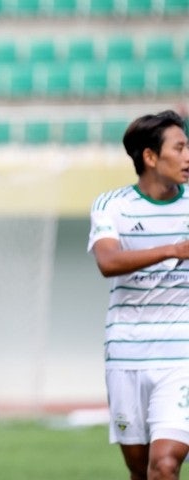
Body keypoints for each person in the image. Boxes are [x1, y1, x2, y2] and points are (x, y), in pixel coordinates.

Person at [88, 110, 189, 480]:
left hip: (181, 355)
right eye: (179, 148)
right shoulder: (111, 206)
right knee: (140, 469)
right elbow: (107, 261)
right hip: (126, 355)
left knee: (164, 465)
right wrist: (172, 250)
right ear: (150, 156)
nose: (188, 156)